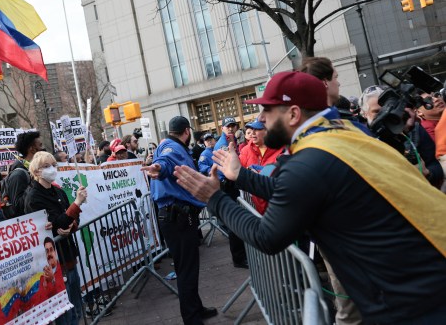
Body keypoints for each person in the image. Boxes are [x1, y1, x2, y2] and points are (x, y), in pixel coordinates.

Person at [173, 71, 446, 325]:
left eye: (268, 110)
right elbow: (295, 192)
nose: (262, 119)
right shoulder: (341, 133)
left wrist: (215, 198)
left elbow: (267, 236)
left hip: (412, 303)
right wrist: (241, 175)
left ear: (293, 113)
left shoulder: (310, 160)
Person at [142, 116, 217, 325]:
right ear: (186, 131)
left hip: (178, 216)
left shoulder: (169, 145)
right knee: (187, 270)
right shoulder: (171, 148)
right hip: (178, 218)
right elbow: (164, 163)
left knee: (189, 267)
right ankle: (192, 319)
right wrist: (158, 168)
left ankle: (196, 308)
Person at [24, 151, 87, 325]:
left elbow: (70, 220)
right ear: (36, 172)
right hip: (55, 263)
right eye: (46, 166)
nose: (52, 169)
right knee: (64, 313)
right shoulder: (33, 198)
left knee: (76, 304)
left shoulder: (58, 191)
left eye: (53, 165)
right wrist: (76, 204)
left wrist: (71, 225)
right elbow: (55, 223)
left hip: (69, 255)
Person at [361, 86, 443, 187]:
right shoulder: (361, 137)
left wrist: (428, 173)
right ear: (364, 114)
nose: (384, 114)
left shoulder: (414, 129)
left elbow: (435, 165)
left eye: (387, 109)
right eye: (376, 111)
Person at [213, 116, 247, 269]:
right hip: (228, 186)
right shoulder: (223, 145)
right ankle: (239, 259)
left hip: (233, 184)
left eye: (233, 125)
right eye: (228, 126)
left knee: (238, 221)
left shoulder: (233, 141)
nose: (231, 128)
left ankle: (241, 256)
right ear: (222, 128)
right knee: (235, 222)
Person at [240, 120, 284, 215]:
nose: (252, 133)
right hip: (256, 208)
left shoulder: (281, 149)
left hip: (279, 207)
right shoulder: (246, 150)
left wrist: (260, 176)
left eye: (257, 129)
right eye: (252, 130)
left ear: (267, 131)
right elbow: (239, 172)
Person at [2, 130, 44, 218]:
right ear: (32, 149)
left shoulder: (33, 170)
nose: (43, 148)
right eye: (40, 145)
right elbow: (18, 207)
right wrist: (36, 182)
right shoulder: (18, 175)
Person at [27, 237, 68, 307]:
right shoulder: (42, 277)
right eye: (47, 251)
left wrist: (52, 281)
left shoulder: (61, 269)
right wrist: (45, 287)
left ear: (55, 252)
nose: (49, 254)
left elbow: (63, 296)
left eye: (51, 250)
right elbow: (41, 303)